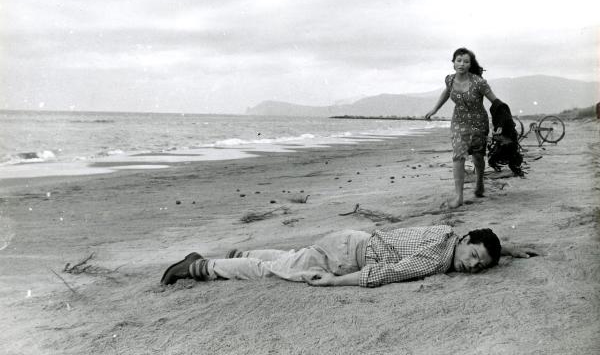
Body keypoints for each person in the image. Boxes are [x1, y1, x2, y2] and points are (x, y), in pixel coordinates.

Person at [160, 225, 537, 287]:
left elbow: (482, 242)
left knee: (297, 256)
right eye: (473, 255)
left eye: (480, 265)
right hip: (349, 257)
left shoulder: (447, 232)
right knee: (273, 272)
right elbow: (387, 275)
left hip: (352, 239)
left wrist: (508, 251)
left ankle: (239, 252)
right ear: (466, 239)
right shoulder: (438, 259)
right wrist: (336, 282)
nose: (471, 266)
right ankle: (198, 267)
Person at [425, 48, 498, 208]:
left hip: (479, 124)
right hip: (459, 122)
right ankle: (459, 196)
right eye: (458, 60)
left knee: (478, 156)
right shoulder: (450, 80)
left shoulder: (479, 82)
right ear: (453, 63)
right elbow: (446, 92)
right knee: (458, 155)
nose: (462, 64)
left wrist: (503, 120)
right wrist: (435, 109)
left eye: (466, 61)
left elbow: (496, 101)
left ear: (470, 64)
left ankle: (479, 182)